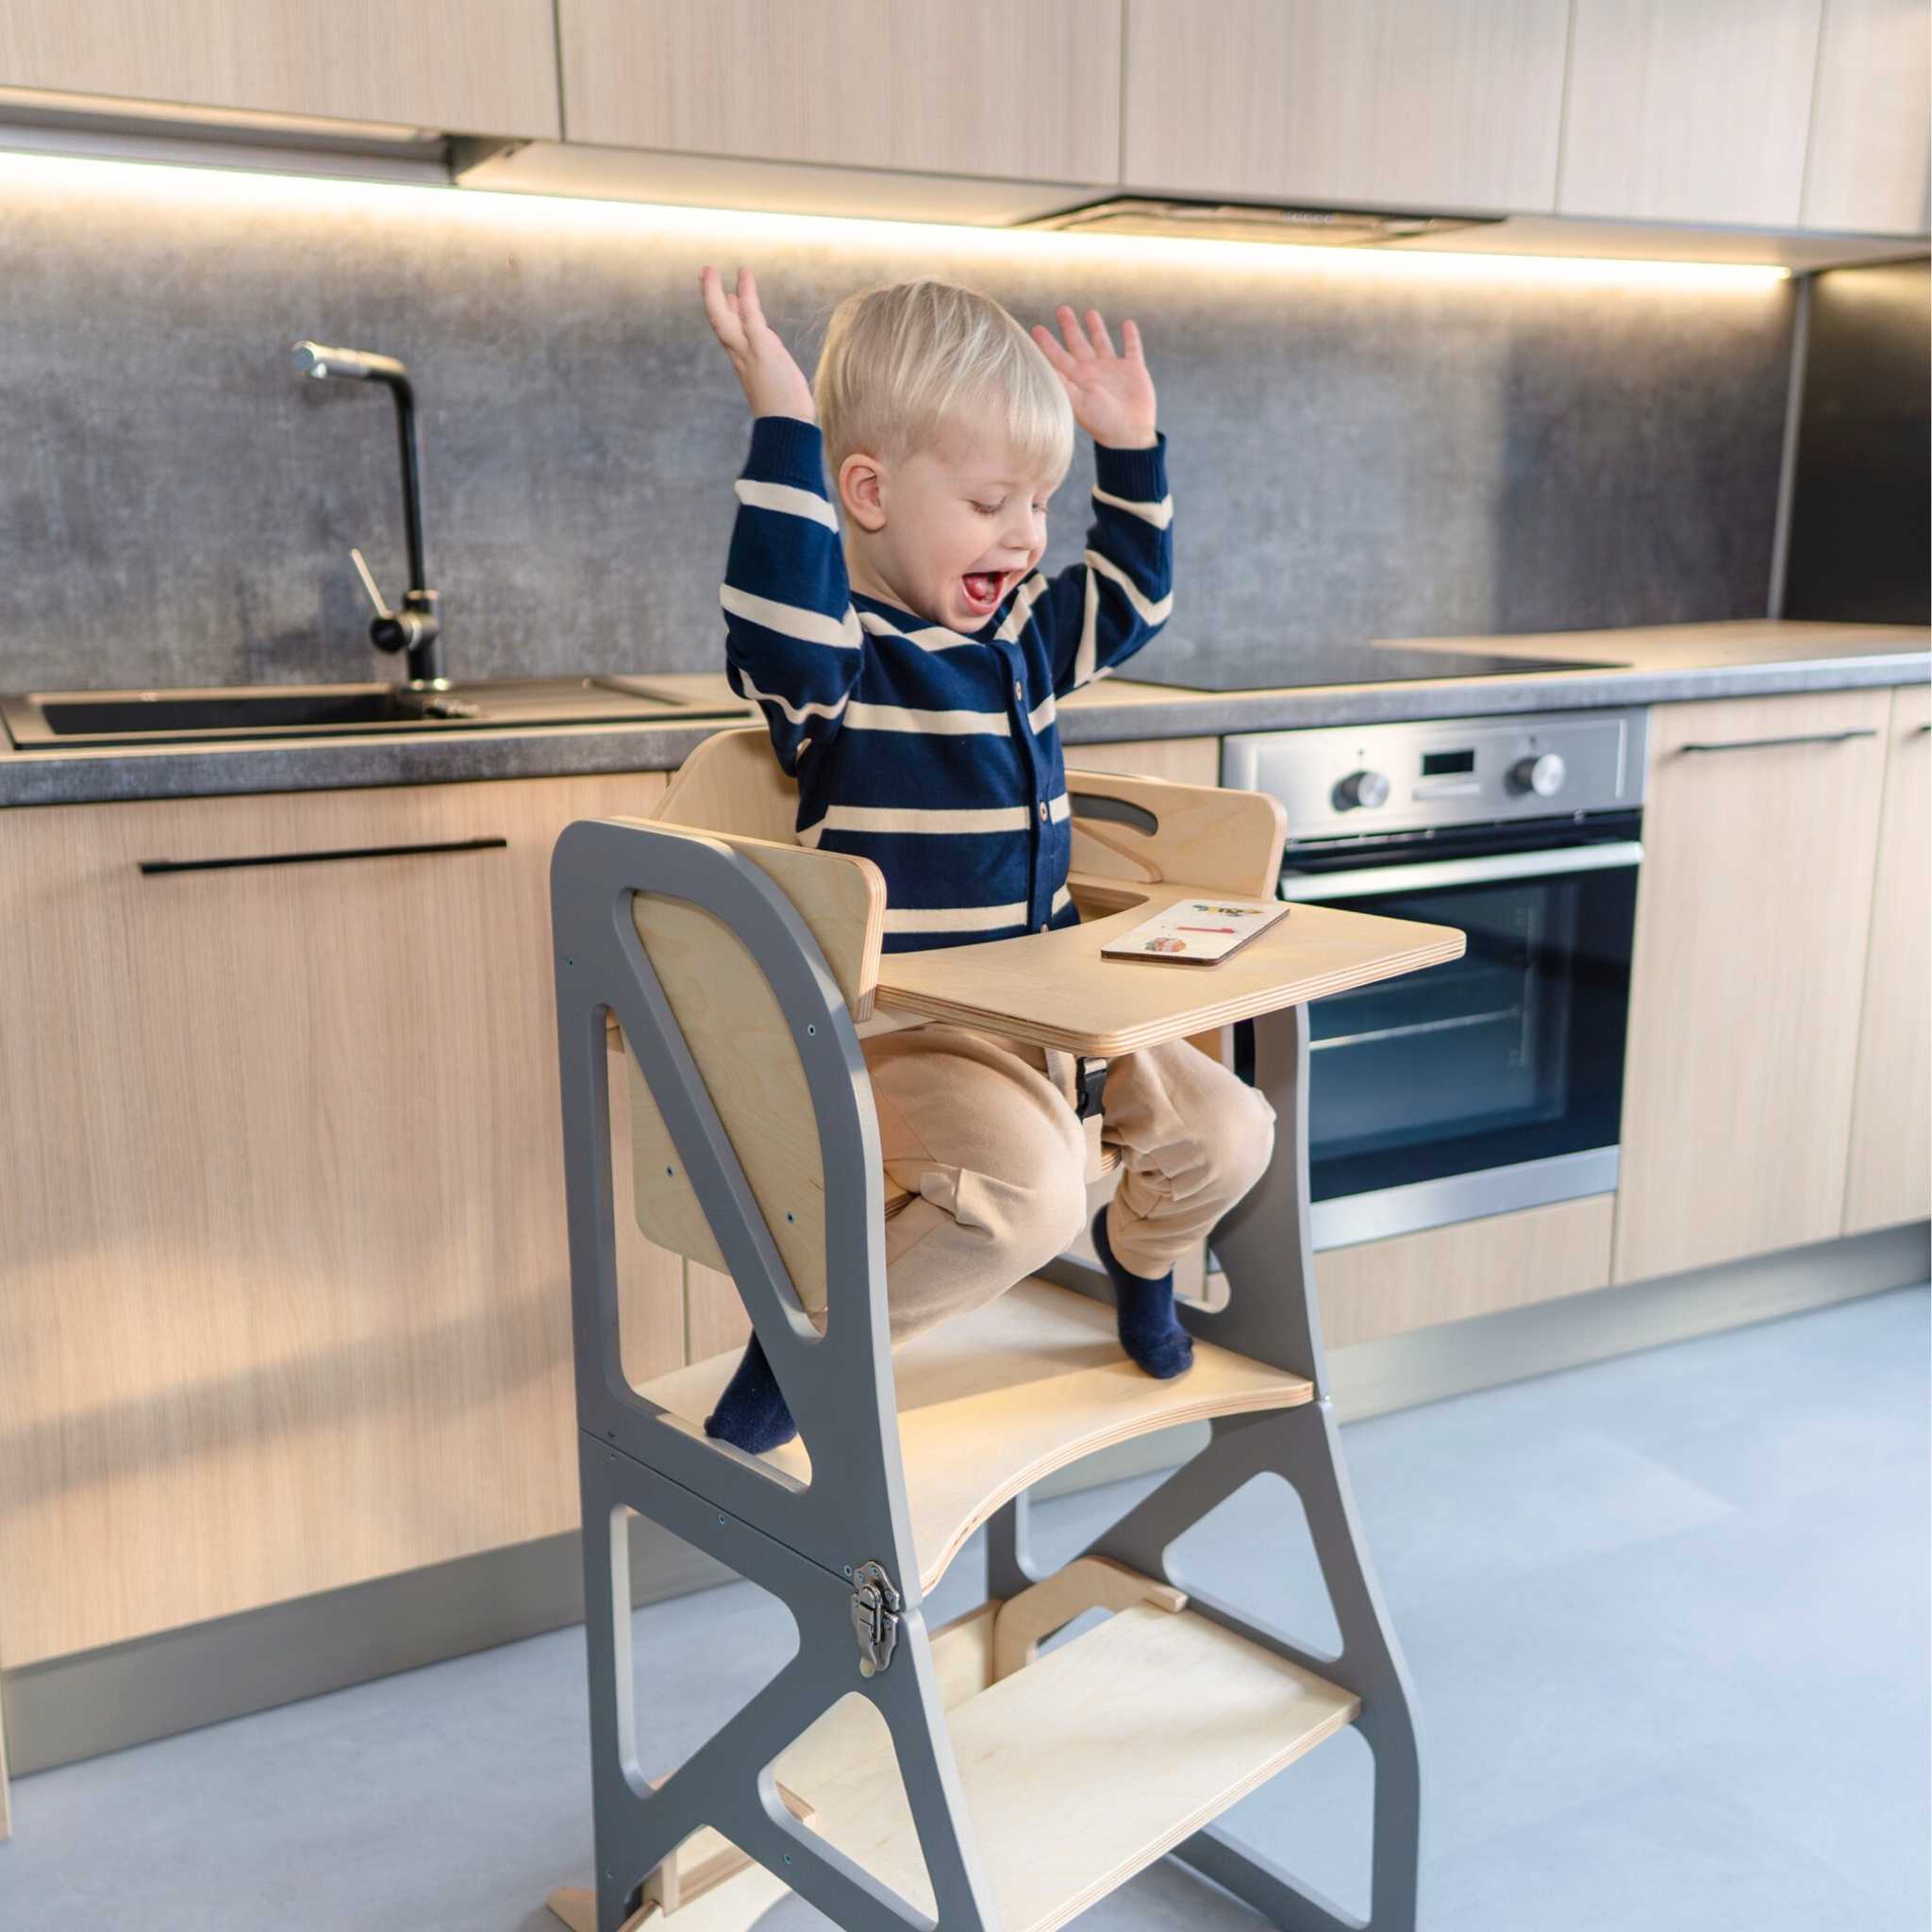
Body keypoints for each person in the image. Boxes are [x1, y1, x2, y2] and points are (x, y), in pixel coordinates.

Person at [694, 266, 1275, 1454]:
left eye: (1039, 505)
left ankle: (1143, 1258)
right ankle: (802, 1337)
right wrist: (785, 426)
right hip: (911, 1025)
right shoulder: (841, 666)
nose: (1023, 535)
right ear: (863, 492)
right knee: (1024, 1198)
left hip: (1055, 1011)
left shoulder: (1018, 640)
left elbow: (1132, 598)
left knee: (1232, 1131)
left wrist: (1130, 452)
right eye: (992, 501)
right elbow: (779, 615)